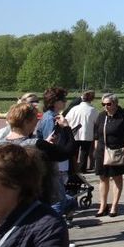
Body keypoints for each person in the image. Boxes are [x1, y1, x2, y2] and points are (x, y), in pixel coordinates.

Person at [0, 103, 73, 209]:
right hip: (37, 201)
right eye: (35, 118)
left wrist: (46, 143)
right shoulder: (36, 144)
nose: (37, 121)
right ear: (26, 121)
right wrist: (66, 127)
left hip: (10, 198)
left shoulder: (0, 144)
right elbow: (67, 152)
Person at [33, 88, 75, 218]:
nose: (65, 102)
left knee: (62, 199)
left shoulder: (53, 117)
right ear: (55, 102)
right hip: (52, 165)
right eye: (63, 99)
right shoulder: (50, 119)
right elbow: (50, 146)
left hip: (55, 164)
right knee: (58, 201)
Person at [93, 93, 124, 217]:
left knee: (117, 178)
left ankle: (114, 206)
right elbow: (96, 134)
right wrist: (96, 149)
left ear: (115, 103)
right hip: (102, 151)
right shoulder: (101, 116)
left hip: (117, 151)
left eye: (108, 104)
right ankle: (103, 205)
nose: (106, 106)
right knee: (103, 178)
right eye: (103, 104)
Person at [65, 90, 98, 174]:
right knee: (84, 152)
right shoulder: (92, 110)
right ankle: (82, 169)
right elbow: (97, 122)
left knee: (74, 152)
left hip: (74, 133)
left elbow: (67, 119)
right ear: (92, 99)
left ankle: (72, 168)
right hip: (87, 134)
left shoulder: (74, 109)